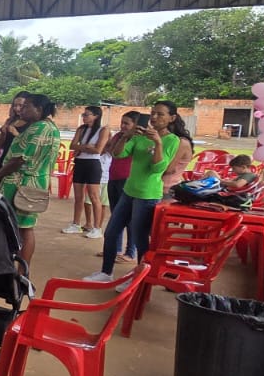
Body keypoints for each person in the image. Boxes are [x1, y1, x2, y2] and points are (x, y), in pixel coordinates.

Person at [85, 101, 182, 283]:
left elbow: (158, 168)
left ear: (172, 118)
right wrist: (125, 136)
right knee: (112, 231)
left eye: (160, 114)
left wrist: (158, 144)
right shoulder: (139, 135)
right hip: (129, 191)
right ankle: (106, 273)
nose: (154, 117)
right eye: (153, 113)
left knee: (140, 238)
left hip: (147, 195)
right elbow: (118, 154)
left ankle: (139, 278)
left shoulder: (172, 140)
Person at [0, 93, 59, 265]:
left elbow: (20, 158)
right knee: (21, 227)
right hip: (27, 183)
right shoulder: (44, 126)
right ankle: (16, 268)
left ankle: (20, 269)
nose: (21, 109)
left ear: (39, 109)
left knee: (22, 228)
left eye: (26, 106)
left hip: (23, 185)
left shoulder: (40, 128)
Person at [99, 112, 138, 265]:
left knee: (129, 218)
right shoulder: (118, 137)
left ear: (135, 125)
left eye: (127, 123)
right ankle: (115, 249)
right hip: (113, 178)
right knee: (116, 215)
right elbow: (110, 149)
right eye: (122, 122)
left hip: (126, 179)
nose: (123, 126)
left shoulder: (137, 139)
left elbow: (114, 151)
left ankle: (130, 251)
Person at [63, 106, 107, 239]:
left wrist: (82, 147)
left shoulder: (103, 130)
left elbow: (98, 150)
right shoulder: (81, 129)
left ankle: (97, 227)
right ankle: (76, 224)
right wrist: (86, 147)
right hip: (80, 162)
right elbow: (72, 146)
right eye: (84, 114)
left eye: (87, 115)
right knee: (78, 196)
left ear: (96, 116)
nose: (84, 117)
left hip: (93, 164)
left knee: (94, 196)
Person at [0, 92, 29, 167]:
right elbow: (0, 145)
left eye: (21, 105)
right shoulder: (10, 121)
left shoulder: (32, 123)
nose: (17, 108)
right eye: (15, 105)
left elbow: (30, 145)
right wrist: (3, 134)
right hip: (4, 158)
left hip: (17, 162)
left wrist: (16, 133)